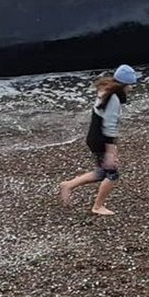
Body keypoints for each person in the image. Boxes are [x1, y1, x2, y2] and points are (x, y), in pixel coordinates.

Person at [59, 64, 139, 216]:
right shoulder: (113, 99)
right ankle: (98, 206)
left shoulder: (105, 91)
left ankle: (68, 185)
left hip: (93, 137)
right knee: (112, 174)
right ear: (125, 84)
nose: (130, 89)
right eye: (130, 85)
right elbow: (110, 127)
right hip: (101, 139)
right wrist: (111, 150)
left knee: (102, 172)